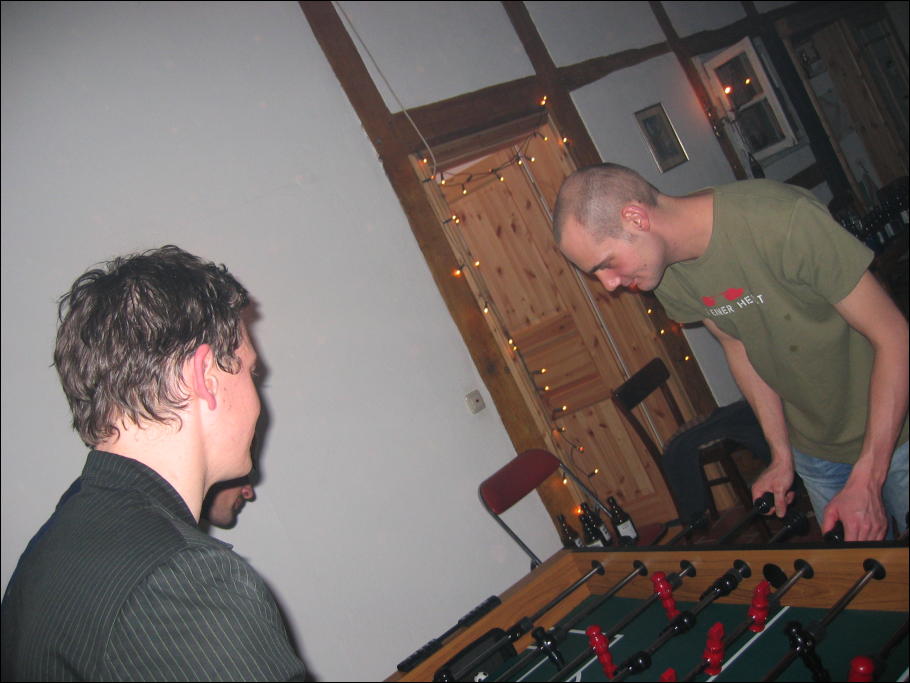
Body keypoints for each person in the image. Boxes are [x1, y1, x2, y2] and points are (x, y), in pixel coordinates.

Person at [553, 164, 909, 542]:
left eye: (606, 264)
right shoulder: (665, 274)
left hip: (897, 433)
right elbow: (738, 345)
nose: (608, 285)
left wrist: (868, 478)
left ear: (636, 218)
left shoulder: (779, 219)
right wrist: (781, 454)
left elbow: (894, 338)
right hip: (815, 450)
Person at [1, 245, 308, 681]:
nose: (257, 400)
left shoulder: (49, 552)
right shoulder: (184, 582)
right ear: (205, 377)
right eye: (250, 372)